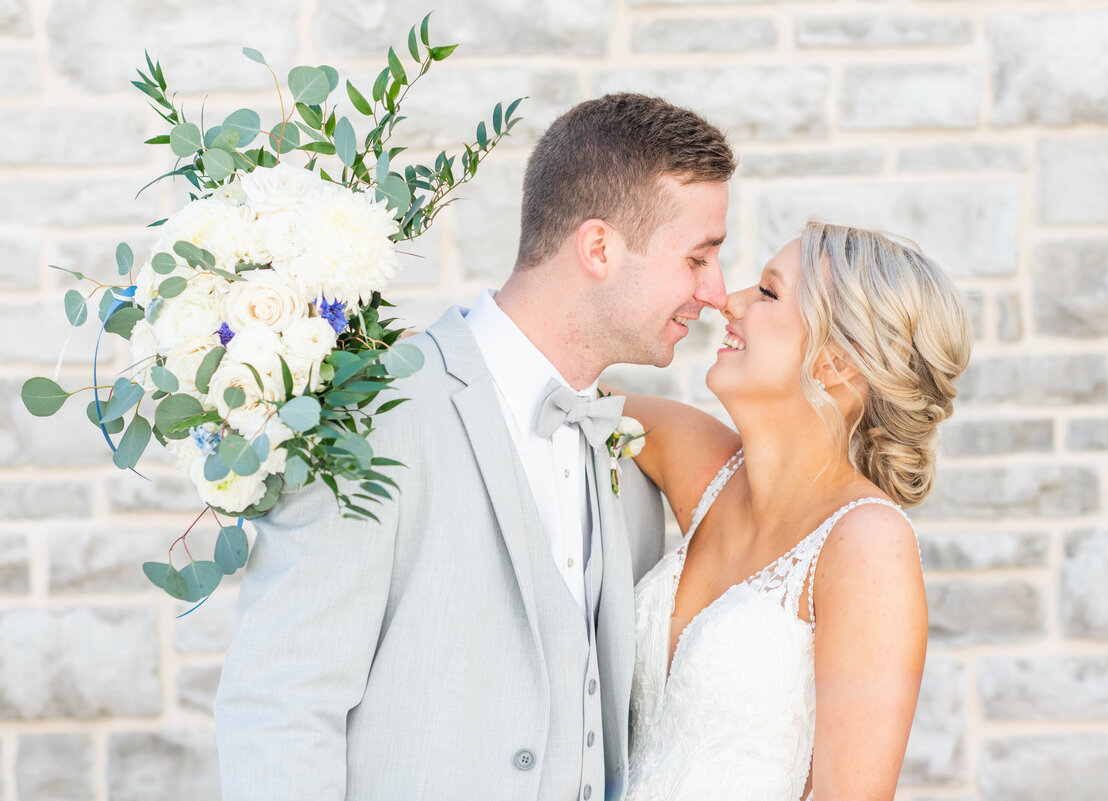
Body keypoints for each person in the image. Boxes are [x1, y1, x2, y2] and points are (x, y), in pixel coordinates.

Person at [214, 93, 736, 801]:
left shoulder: (629, 452)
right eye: (698, 257)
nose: (716, 292)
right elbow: (281, 705)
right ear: (599, 248)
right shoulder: (372, 415)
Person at [612, 220, 972, 801]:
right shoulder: (701, 462)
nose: (729, 301)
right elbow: (554, 394)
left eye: (768, 292)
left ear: (837, 362)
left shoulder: (868, 545)